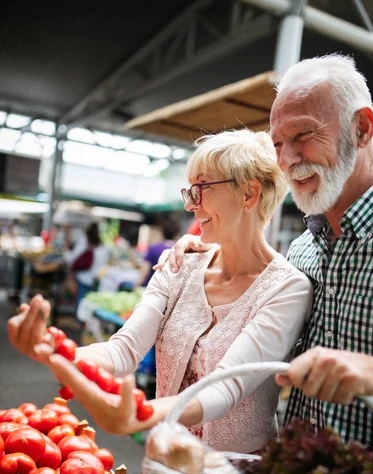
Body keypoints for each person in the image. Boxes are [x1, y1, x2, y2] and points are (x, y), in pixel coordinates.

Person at [8, 130, 312, 453]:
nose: (190, 204)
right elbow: (123, 350)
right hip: (168, 469)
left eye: (202, 188)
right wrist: (57, 351)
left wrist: (139, 415)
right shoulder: (180, 265)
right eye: (190, 190)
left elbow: (225, 389)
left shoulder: (286, 288)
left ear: (249, 195)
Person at [157, 54, 373, 458]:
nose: (287, 159)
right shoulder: (303, 251)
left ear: (362, 128)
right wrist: (211, 249)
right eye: (277, 144)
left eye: (304, 135)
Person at [65, 222, 109, 309]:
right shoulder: (103, 246)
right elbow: (103, 264)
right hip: (95, 280)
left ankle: (80, 321)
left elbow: (71, 259)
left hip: (83, 278)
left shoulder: (84, 242)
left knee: (80, 304)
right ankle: (84, 321)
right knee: (90, 305)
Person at [135, 216, 181, 287]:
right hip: (170, 289)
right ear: (176, 234)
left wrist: (136, 285)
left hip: (151, 287)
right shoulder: (179, 250)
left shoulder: (153, 248)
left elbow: (145, 271)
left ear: (163, 233)